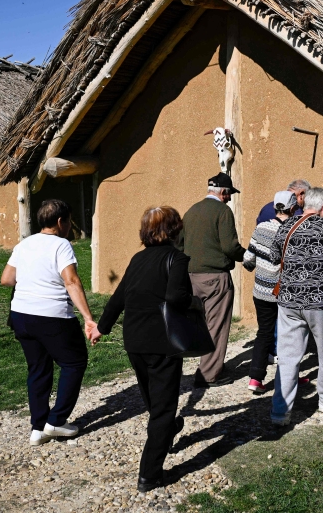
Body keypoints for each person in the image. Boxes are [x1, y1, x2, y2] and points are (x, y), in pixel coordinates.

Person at [91, 206, 193, 492]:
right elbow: (176, 297)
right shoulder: (177, 258)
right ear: (175, 230)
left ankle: (167, 430)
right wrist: (192, 301)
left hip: (135, 341)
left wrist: (102, 327)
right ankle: (149, 474)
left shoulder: (138, 259)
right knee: (162, 409)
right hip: (163, 343)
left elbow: (119, 296)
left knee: (154, 400)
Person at [1, 199, 97, 447]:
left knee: (38, 368)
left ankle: (37, 427)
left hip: (21, 315)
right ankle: (56, 420)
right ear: (60, 222)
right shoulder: (61, 245)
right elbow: (72, 281)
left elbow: (7, 279)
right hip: (52, 316)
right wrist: (88, 317)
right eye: (68, 222)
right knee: (74, 362)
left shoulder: (24, 244)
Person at [268, 187, 323, 427]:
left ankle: (280, 412)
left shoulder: (286, 226)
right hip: (321, 302)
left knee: (288, 358)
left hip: (289, 302)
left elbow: (274, 257)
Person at [180, 172, 247, 387]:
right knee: (216, 325)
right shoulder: (223, 211)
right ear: (223, 192)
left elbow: (180, 244)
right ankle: (209, 373)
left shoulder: (191, 211)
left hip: (192, 277)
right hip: (215, 277)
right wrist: (245, 255)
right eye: (229, 195)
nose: (229, 198)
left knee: (201, 325)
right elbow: (229, 246)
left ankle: (209, 364)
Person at [242, 190, 296, 394]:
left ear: (275, 207)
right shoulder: (295, 230)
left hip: (262, 291)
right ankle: (290, 377)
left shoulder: (261, 228)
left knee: (264, 333)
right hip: (286, 292)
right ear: (292, 208)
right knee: (290, 334)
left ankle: (255, 378)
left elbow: (248, 261)